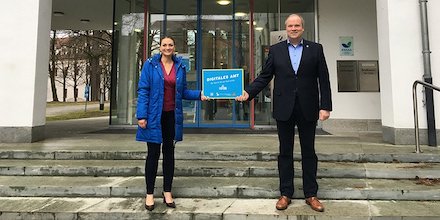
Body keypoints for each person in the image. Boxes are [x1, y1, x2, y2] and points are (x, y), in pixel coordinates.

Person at [235, 14, 332, 212]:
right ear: (286, 29)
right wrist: (248, 92)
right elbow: (265, 76)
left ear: (302, 28)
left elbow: (324, 79)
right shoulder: (276, 50)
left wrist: (325, 106)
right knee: (285, 152)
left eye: (297, 25)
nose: (294, 28)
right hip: (284, 107)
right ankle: (285, 193)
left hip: (308, 106)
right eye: (290, 26)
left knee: (309, 152)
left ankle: (311, 194)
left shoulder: (315, 49)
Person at [136, 36, 208, 211]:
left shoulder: (180, 67)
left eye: (170, 45)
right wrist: (141, 115)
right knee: (152, 154)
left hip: (171, 116)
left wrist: (201, 94)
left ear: (174, 48)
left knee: (169, 153)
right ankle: (149, 194)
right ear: (160, 48)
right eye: (164, 45)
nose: (167, 47)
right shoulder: (150, 65)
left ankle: (167, 191)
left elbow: (183, 92)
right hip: (153, 116)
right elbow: (143, 90)